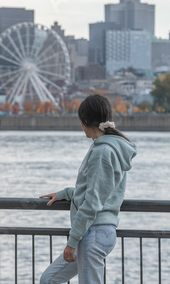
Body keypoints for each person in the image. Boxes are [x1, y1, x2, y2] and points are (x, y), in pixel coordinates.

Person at [39, 94, 137, 284]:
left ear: (84, 121)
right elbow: (98, 191)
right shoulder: (109, 148)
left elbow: (93, 202)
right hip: (98, 231)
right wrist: (65, 194)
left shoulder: (102, 152)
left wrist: (72, 241)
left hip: (93, 233)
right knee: (48, 279)